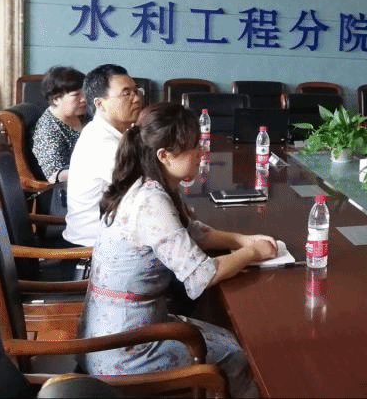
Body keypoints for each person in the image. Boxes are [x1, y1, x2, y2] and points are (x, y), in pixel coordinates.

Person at [81, 103, 276, 397]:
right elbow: (202, 275)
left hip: (125, 328)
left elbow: (189, 232)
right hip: (124, 348)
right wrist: (252, 254)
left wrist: (240, 240)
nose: (202, 153)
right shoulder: (151, 201)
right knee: (236, 353)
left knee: (227, 335)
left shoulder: (150, 184)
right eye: (194, 147)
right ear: (164, 155)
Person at [64, 64, 143, 247]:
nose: (137, 98)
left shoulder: (110, 131)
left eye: (136, 91)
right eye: (126, 94)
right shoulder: (102, 143)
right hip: (92, 250)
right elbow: (147, 191)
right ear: (100, 104)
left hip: (110, 238)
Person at [31, 66, 87, 186]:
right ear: (56, 99)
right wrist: (96, 171)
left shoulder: (83, 114)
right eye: (76, 95)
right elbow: (54, 176)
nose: (83, 99)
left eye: (84, 93)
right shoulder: (48, 130)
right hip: (68, 189)